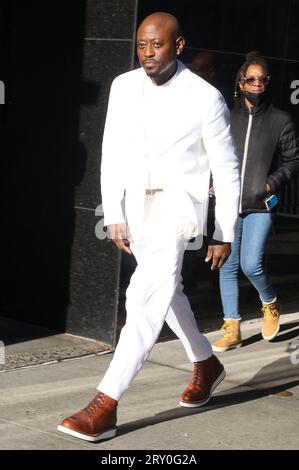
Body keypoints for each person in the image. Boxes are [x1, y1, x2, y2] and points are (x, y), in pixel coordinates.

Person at [58, 12, 240, 442]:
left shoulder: (206, 97)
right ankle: (206, 361)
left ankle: (106, 403)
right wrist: (114, 213)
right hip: (135, 209)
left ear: (178, 46)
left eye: (156, 45)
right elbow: (112, 152)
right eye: (141, 45)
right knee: (167, 291)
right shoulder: (124, 86)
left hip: (178, 210)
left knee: (143, 296)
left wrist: (224, 231)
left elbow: (227, 169)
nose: (147, 54)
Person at [212, 51, 299, 353]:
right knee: (227, 265)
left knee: (251, 264)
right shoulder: (225, 117)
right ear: (240, 82)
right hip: (228, 204)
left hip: (260, 204)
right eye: (251, 79)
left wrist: (269, 184)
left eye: (262, 80)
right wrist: (211, 182)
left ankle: (270, 302)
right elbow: (210, 153)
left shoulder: (280, 120)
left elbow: (292, 161)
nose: (257, 84)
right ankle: (231, 326)